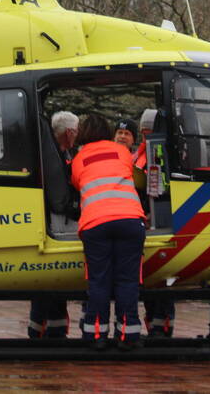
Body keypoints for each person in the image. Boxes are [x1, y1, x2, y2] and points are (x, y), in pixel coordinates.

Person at [72, 113, 146, 349]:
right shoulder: (122, 152)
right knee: (127, 281)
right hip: (129, 219)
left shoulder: (78, 158)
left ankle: (96, 336)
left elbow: (77, 184)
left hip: (95, 223)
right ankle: (128, 335)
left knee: (98, 281)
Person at [27, 111, 79, 339]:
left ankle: (39, 328)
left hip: (48, 220)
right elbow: (60, 199)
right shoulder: (57, 155)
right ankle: (54, 332)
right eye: (76, 132)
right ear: (69, 132)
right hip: (58, 222)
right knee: (56, 280)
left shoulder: (54, 151)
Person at [135, 108, 176, 338]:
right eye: (143, 132)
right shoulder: (139, 154)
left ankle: (162, 326)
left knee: (162, 280)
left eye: (149, 131)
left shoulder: (161, 152)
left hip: (159, 221)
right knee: (151, 281)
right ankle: (155, 326)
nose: (146, 136)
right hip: (143, 220)